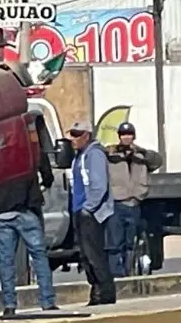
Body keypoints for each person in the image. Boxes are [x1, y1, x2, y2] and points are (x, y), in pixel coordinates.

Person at [0, 151, 57, 316]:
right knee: (39, 256)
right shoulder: (28, 153)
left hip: (2, 212)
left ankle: (9, 305)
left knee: (6, 261)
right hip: (26, 209)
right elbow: (48, 176)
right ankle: (47, 301)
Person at [105, 122, 163, 277]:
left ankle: (129, 272)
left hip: (135, 203)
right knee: (115, 243)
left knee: (131, 243)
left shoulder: (141, 156)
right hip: (117, 204)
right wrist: (110, 151)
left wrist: (141, 152)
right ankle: (117, 275)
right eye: (123, 134)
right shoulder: (111, 156)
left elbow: (157, 161)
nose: (126, 138)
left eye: (129, 134)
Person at [69, 120, 116, 305]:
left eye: (76, 134)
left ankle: (104, 293)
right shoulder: (80, 155)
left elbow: (99, 185)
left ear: (86, 135)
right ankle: (95, 291)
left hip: (91, 213)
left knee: (94, 254)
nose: (73, 139)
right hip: (79, 211)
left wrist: (88, 208)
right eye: (71, 134)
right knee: (86, 256)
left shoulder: (94, 154)